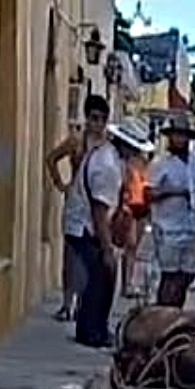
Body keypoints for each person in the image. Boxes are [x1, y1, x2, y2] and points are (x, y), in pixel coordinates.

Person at [65, 95, 125, 348]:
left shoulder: (104, 156)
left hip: (82, 221)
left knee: (101, 276)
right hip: (82, 224)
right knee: (100, 274)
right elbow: (100, 212)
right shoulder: (106, 165)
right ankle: (91, 331)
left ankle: (94, 328)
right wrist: (108, 248)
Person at [147, 115, 195, 308]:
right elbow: (149, 192)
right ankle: (163, 312)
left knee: (187, 274)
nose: (179, 139)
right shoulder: (160, 163)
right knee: (170, 274)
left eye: (183, 135)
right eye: (176, 135)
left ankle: (176, 312)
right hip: (167, 228)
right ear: (170, 137)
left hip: (191, 227)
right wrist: (173, 191)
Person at [45, 122, 91, 321]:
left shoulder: (105, 144)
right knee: (71, 254)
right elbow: (52, 158)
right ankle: (67, 303)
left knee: (89, 256)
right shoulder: (77, 141)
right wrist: (61, 185)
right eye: (94, 118)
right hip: (76, 201)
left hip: (96, 202)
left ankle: (82, 303)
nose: (97, 123)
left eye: (101, 119)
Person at [107, 122, 155, 298]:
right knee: (128, 243)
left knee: (133, 247)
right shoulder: (116, 162)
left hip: (140, 206)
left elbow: (145, 182)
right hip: (126, 206)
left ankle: (128, 282)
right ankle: (123, 283)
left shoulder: (141, 161)